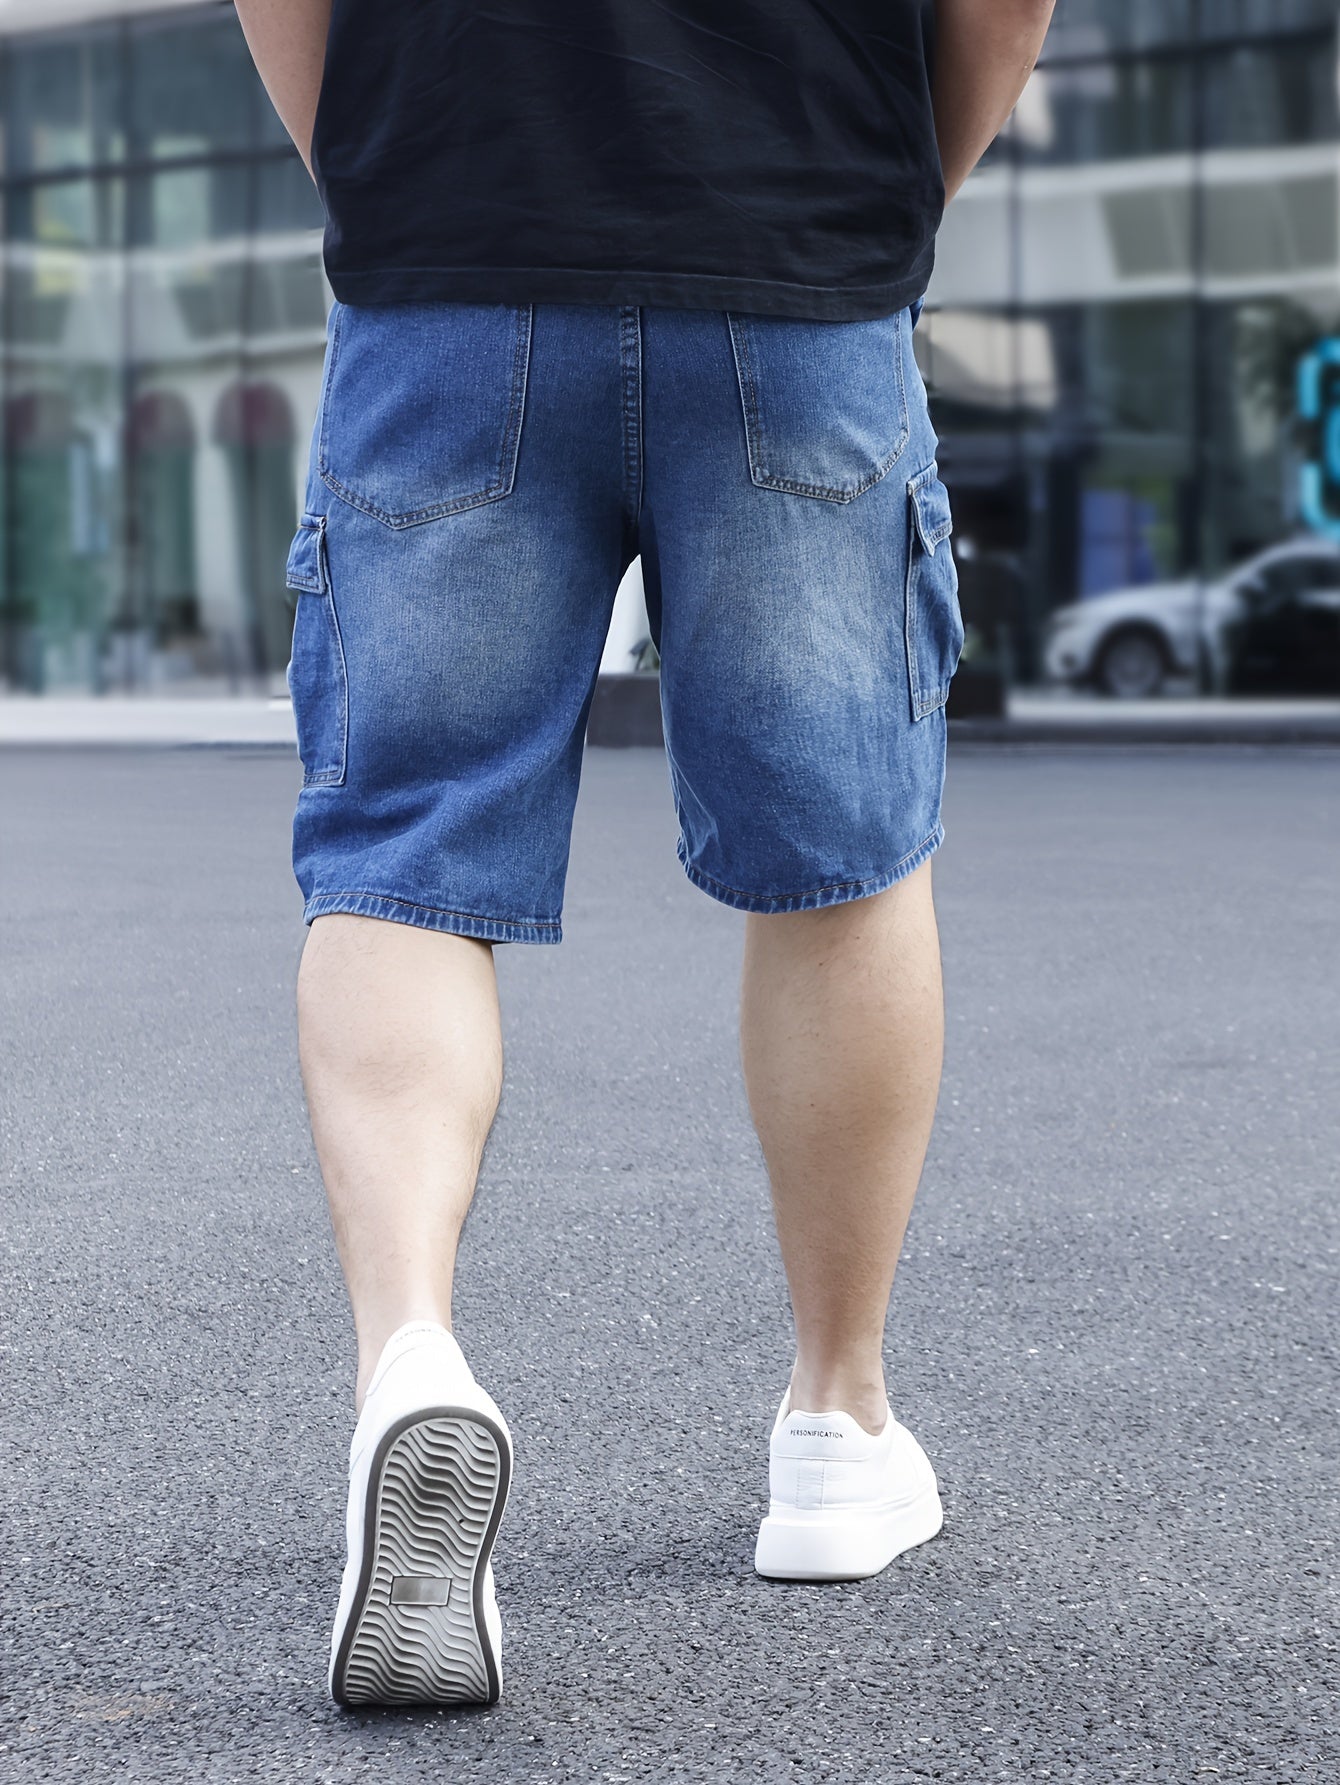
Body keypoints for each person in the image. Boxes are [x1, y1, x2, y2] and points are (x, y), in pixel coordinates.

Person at [235, 0, 1056, 1710]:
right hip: (794, 249)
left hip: (447, 260)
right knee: (840, 864)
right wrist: (892, 200)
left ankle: (411, 1354)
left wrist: (396, 185)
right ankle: (836, 1423)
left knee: (400, 860)